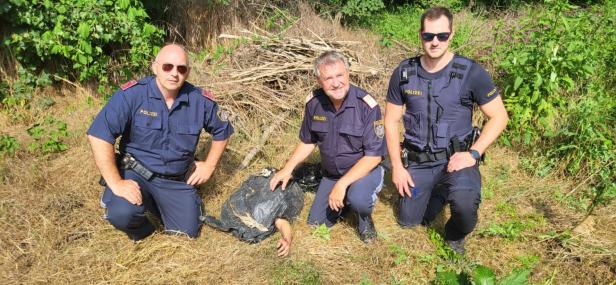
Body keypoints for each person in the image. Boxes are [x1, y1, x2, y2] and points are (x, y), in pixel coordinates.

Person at [384, 7, 509, 254]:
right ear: (420, 35)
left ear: (451, 35)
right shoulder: (404, 73)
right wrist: (398, 167)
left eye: (442, 35)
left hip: (457, 159)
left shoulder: (471, 72)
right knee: (409, 221)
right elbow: (390, 121)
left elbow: (499, 117)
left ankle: (454, 234)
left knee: (464, 205)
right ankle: (437, 193)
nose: (435, 42)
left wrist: (473, 153)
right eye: (428, 36)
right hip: (418, 161)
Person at [87, 43, 234, 240]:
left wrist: (209, 166)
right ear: (155, 67)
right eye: (167, 66)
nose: (174, 73)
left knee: (187, 233)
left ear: (188, 72)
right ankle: (142, 223)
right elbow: (99, 135)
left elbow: (223, 130)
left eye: (181, 69)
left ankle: (158, 208)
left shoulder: (199, 100)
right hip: (136, 173)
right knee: (123, 214)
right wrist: (116, 183)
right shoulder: (132, 95)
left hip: (175, 180)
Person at [269, 51, 387, 244]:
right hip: (332, 175)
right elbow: (308, 141)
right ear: (319, 80)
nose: (336, 83)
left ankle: (363, 217)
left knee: (359, 199)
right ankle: (346, 200)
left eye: (340, 75)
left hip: (363, 171)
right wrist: (287, 169)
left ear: (348, 74)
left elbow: (374, 156)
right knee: (316, 222)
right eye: (328, 78)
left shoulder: (367, 105)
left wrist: (342, 185)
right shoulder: (314, 103)